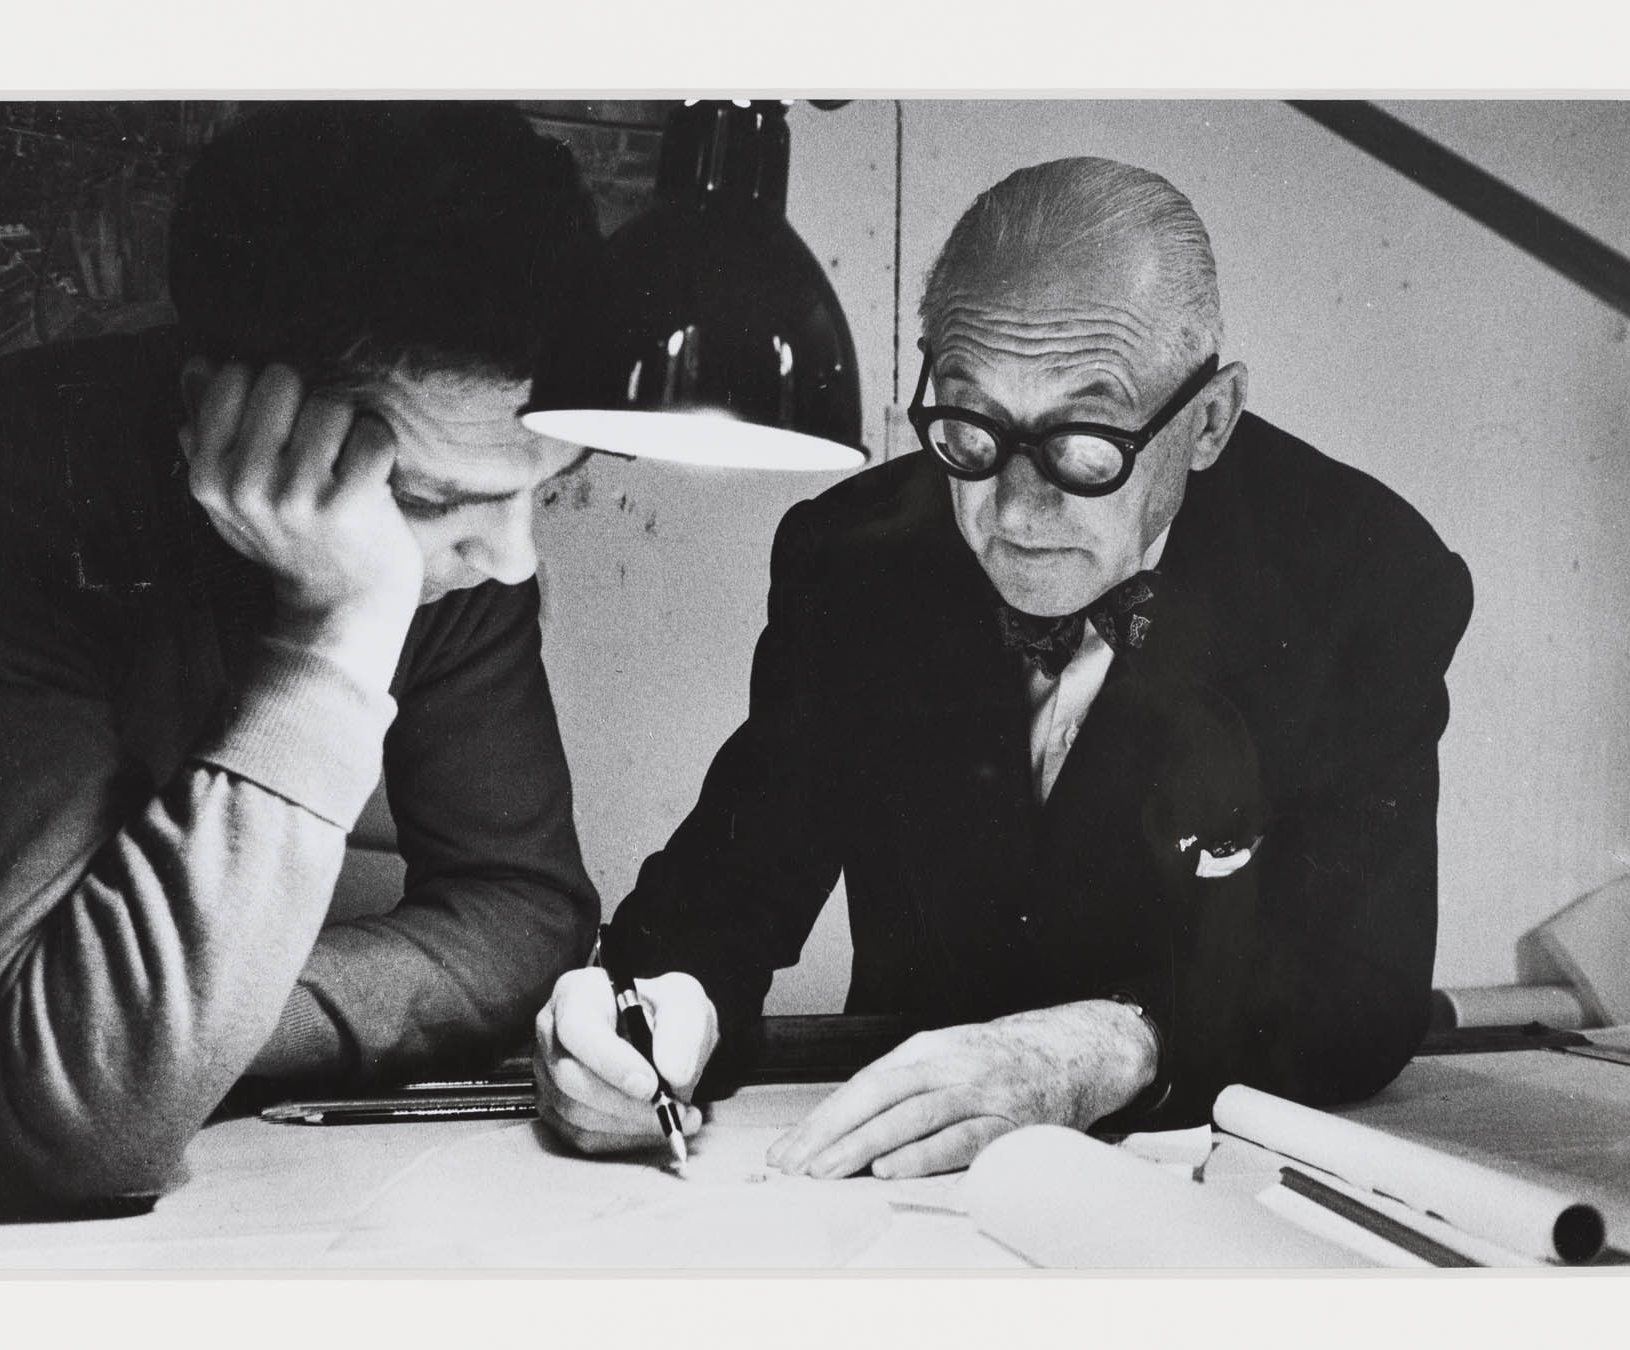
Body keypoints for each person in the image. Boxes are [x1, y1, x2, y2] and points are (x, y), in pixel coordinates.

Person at [535, 155, 1474, 1180]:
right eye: (969, 426)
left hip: (1208, 1185)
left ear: (1206, 420)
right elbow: (729, 885)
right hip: (897, 1190)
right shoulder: (852, 555)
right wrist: (644, 1012)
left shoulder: (1363, 576)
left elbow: (1359, 983)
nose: (1015, 512)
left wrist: (1106, 1045)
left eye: (1082, 442)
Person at [0, 102, 604, 1200]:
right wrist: (335, 632)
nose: (509, 555)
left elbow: (525, 912)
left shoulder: (465, 544)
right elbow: (92, 1120)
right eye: (433, 498)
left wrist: (205, 1015)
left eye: (548, 485)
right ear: (228, 410)